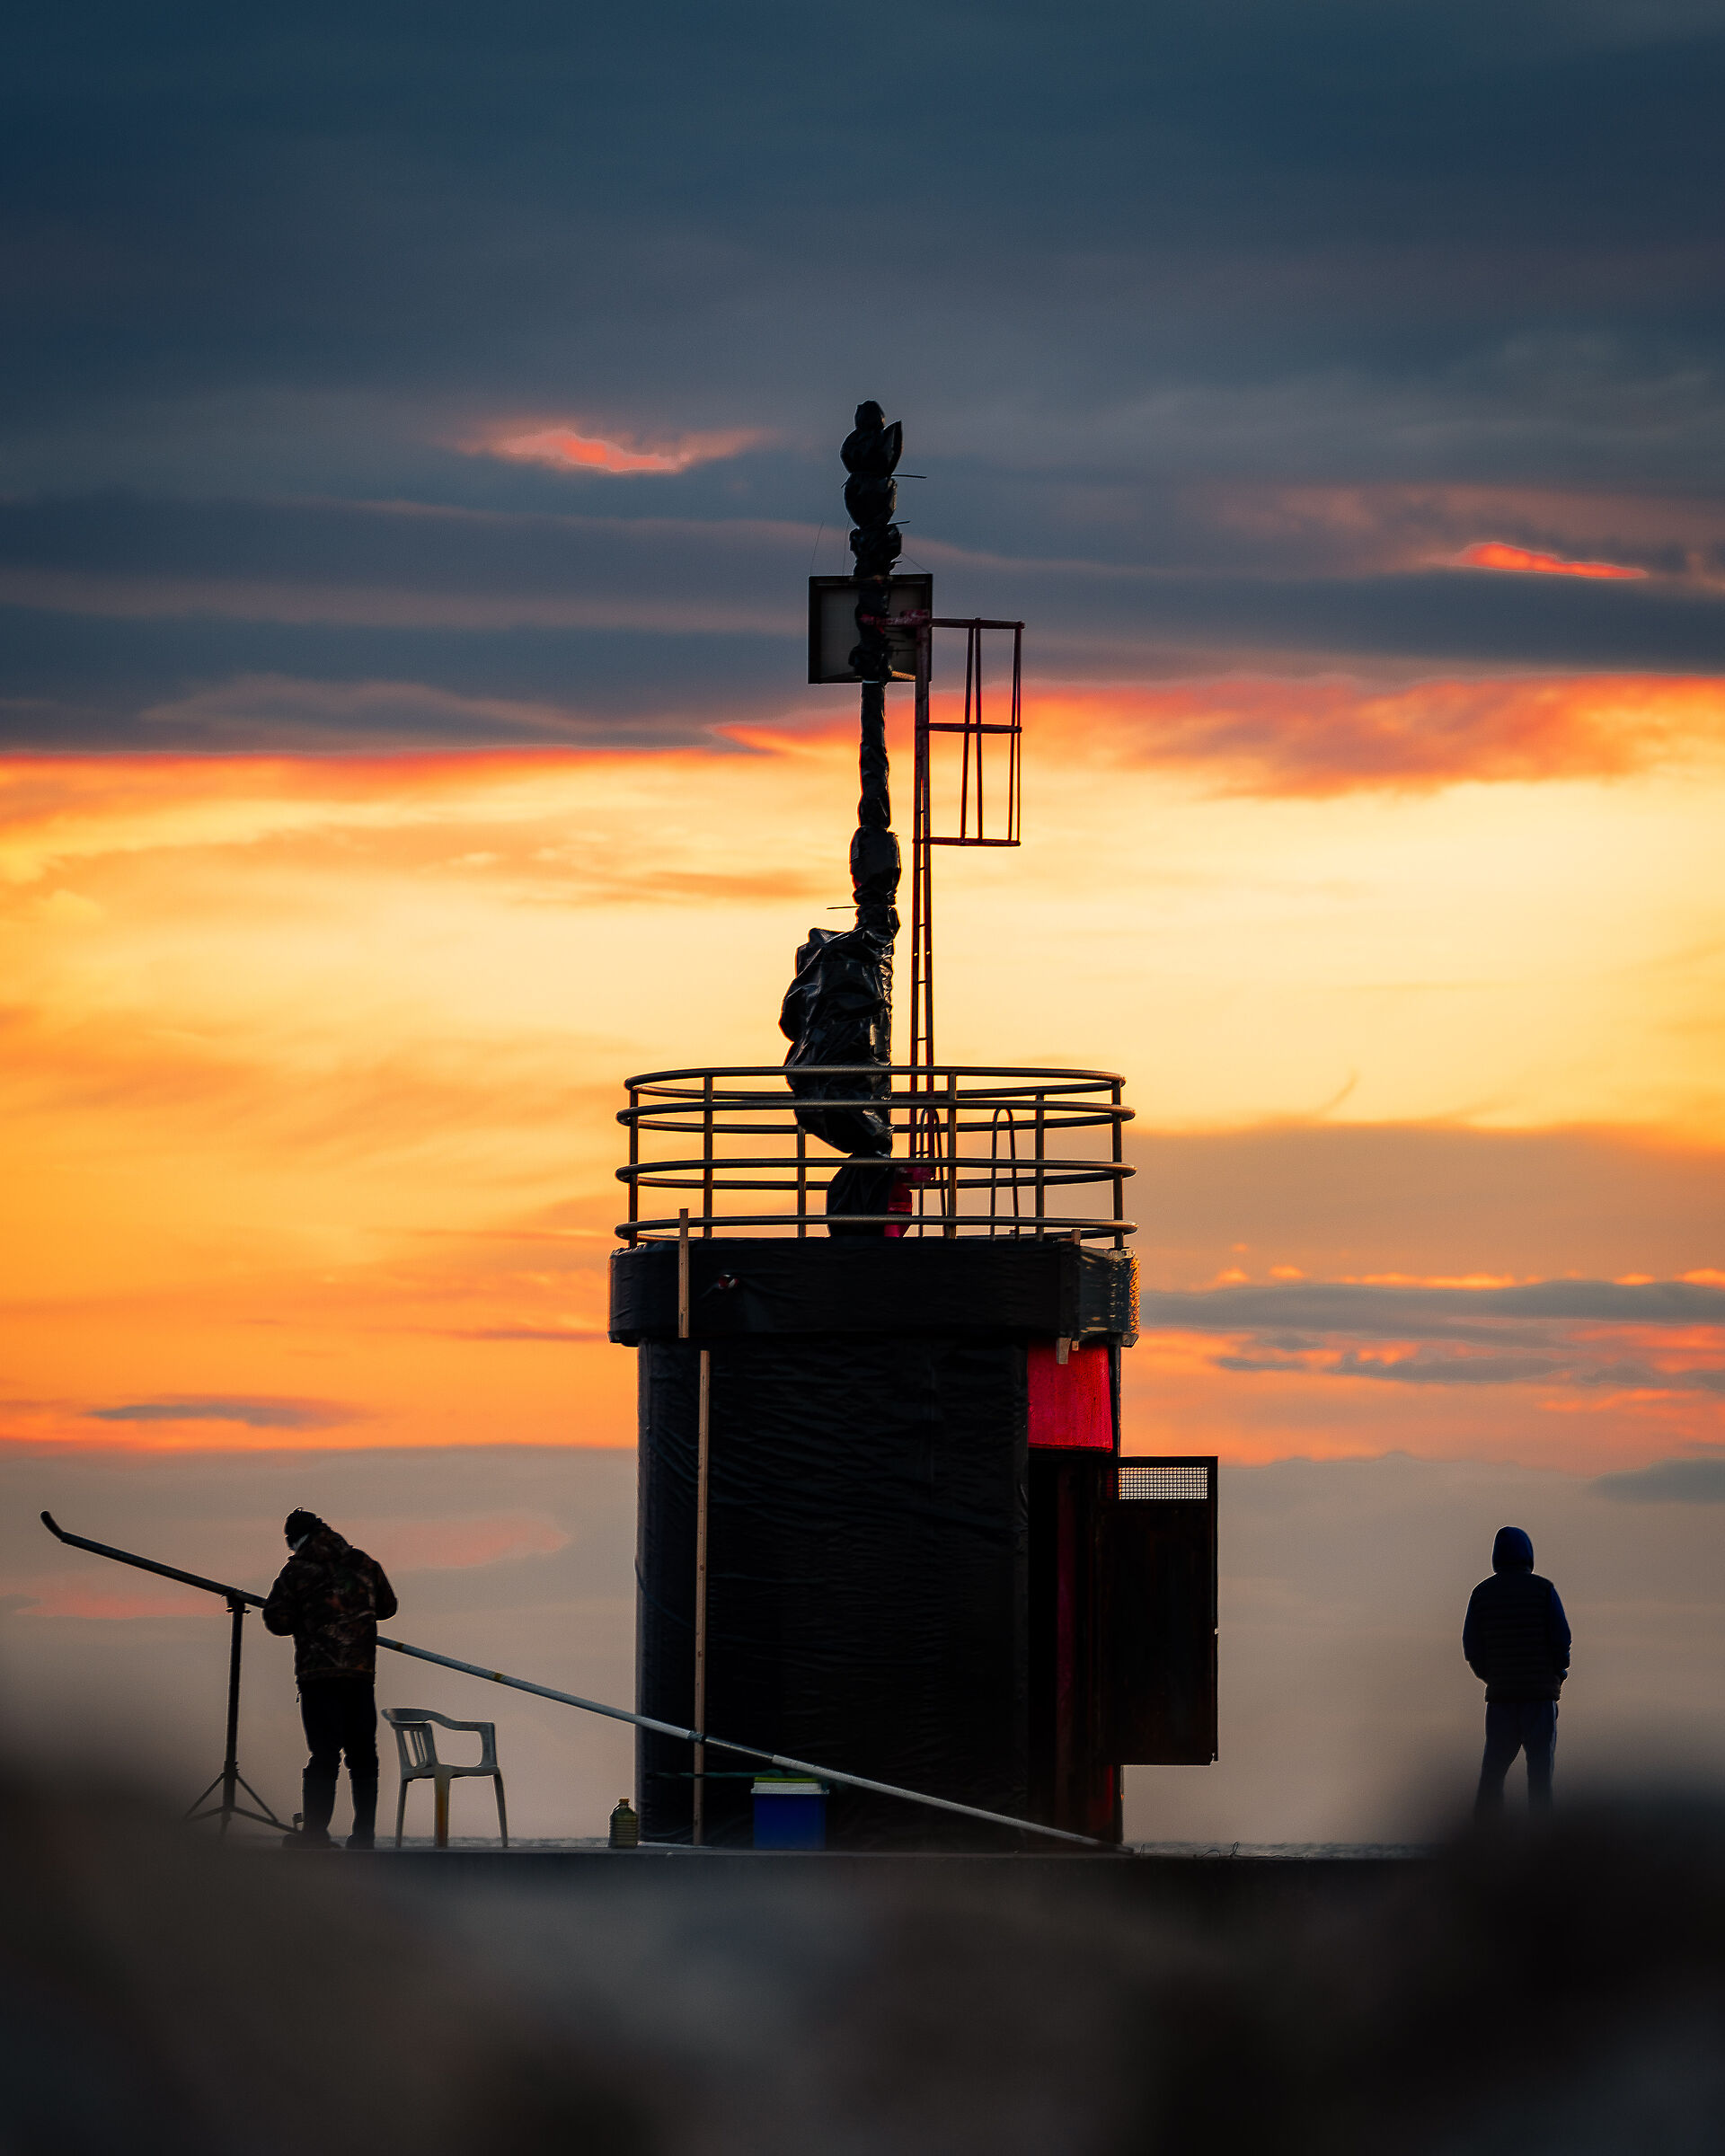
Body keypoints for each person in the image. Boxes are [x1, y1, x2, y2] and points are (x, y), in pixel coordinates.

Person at [263, 1509, 397, 1849]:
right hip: (360, 1673)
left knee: (324, 1754)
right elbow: (388, 1606)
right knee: (364, 1755)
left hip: (318, 1674)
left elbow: (276, 1620)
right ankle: (364, 1835)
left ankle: (315, 1835)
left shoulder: (297, 1570)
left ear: (294, 1540)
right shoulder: (364, 1563)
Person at [1463, 1525, 1571, 1815]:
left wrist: (1491, 1676)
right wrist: (1558, 1672)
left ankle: (1486, 1835)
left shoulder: (1482, 1593)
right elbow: (1561, 1638)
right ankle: (1539, 1837)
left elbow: (1471, 1646)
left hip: (1501, 1697)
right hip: (1540, 1695)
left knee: (1493, 1770)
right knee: (1540, 1770)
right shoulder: (1543, 1589)